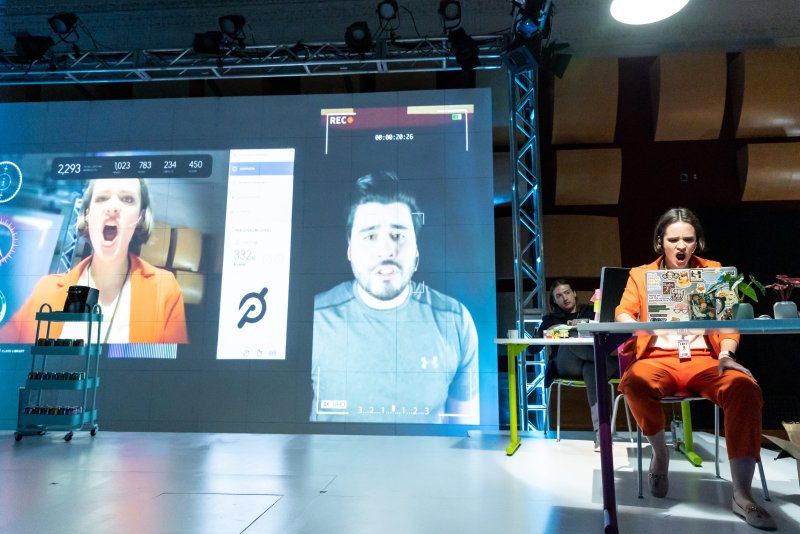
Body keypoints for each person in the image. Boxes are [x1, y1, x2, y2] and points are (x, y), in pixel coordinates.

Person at [615, 207, 775, 530]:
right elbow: (622, 313)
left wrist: (726, 355)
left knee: (744, 388)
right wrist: (638, 324)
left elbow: (727, 323)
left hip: (706, 359)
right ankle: (660, 454)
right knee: (634, 382)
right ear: (660, 242)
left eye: (688, 239)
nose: (681, 246)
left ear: (697, 242)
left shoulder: (714, 271)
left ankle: (742, 495)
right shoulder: (641, 274)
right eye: (673, 239)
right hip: (657, 358)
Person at [311, 171, 479, 424]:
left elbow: (465, 432)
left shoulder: (455, 321)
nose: (386, 250)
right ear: (349, 247)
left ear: (416, 246)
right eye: (370, 236)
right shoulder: (314, 319)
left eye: (398, 235)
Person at [0, 178, 188, 344]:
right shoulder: (45, 289)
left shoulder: (165, 288)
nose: (113, 207)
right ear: (88, 214)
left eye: (127, 199)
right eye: (102, 198)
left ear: (140, 217)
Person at [537, 279, 618, 450]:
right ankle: (609, 362)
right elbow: (533, 349)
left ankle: (602, 436)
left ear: (574, 293)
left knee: (592, 370)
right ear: (554, 301)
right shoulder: (550, 319)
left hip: (590, 364)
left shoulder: (591, 312)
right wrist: (548, 331)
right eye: (559, 296)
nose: (564, 298)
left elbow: (609, 329)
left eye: (567, 293)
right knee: (572, 338)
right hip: (566, 365)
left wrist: (584, 323)